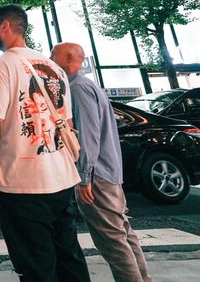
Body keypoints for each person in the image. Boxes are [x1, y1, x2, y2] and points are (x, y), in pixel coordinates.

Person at [0, 4, 89, 282]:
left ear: (5, 26)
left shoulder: (0, 65)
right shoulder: (55, 67)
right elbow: (68, 123)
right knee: (69, 257)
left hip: (22, 182)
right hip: (61, 177)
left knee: (36, 265)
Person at [51, 43, 152, 282]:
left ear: (69, 57)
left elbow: (88, 135)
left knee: (112, 243)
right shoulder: (88, 86)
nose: (50, 58)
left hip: (96, 177)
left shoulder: (77, 88)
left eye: (53, 54)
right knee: (123, 235)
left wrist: (84, 178)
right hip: (108, 172)